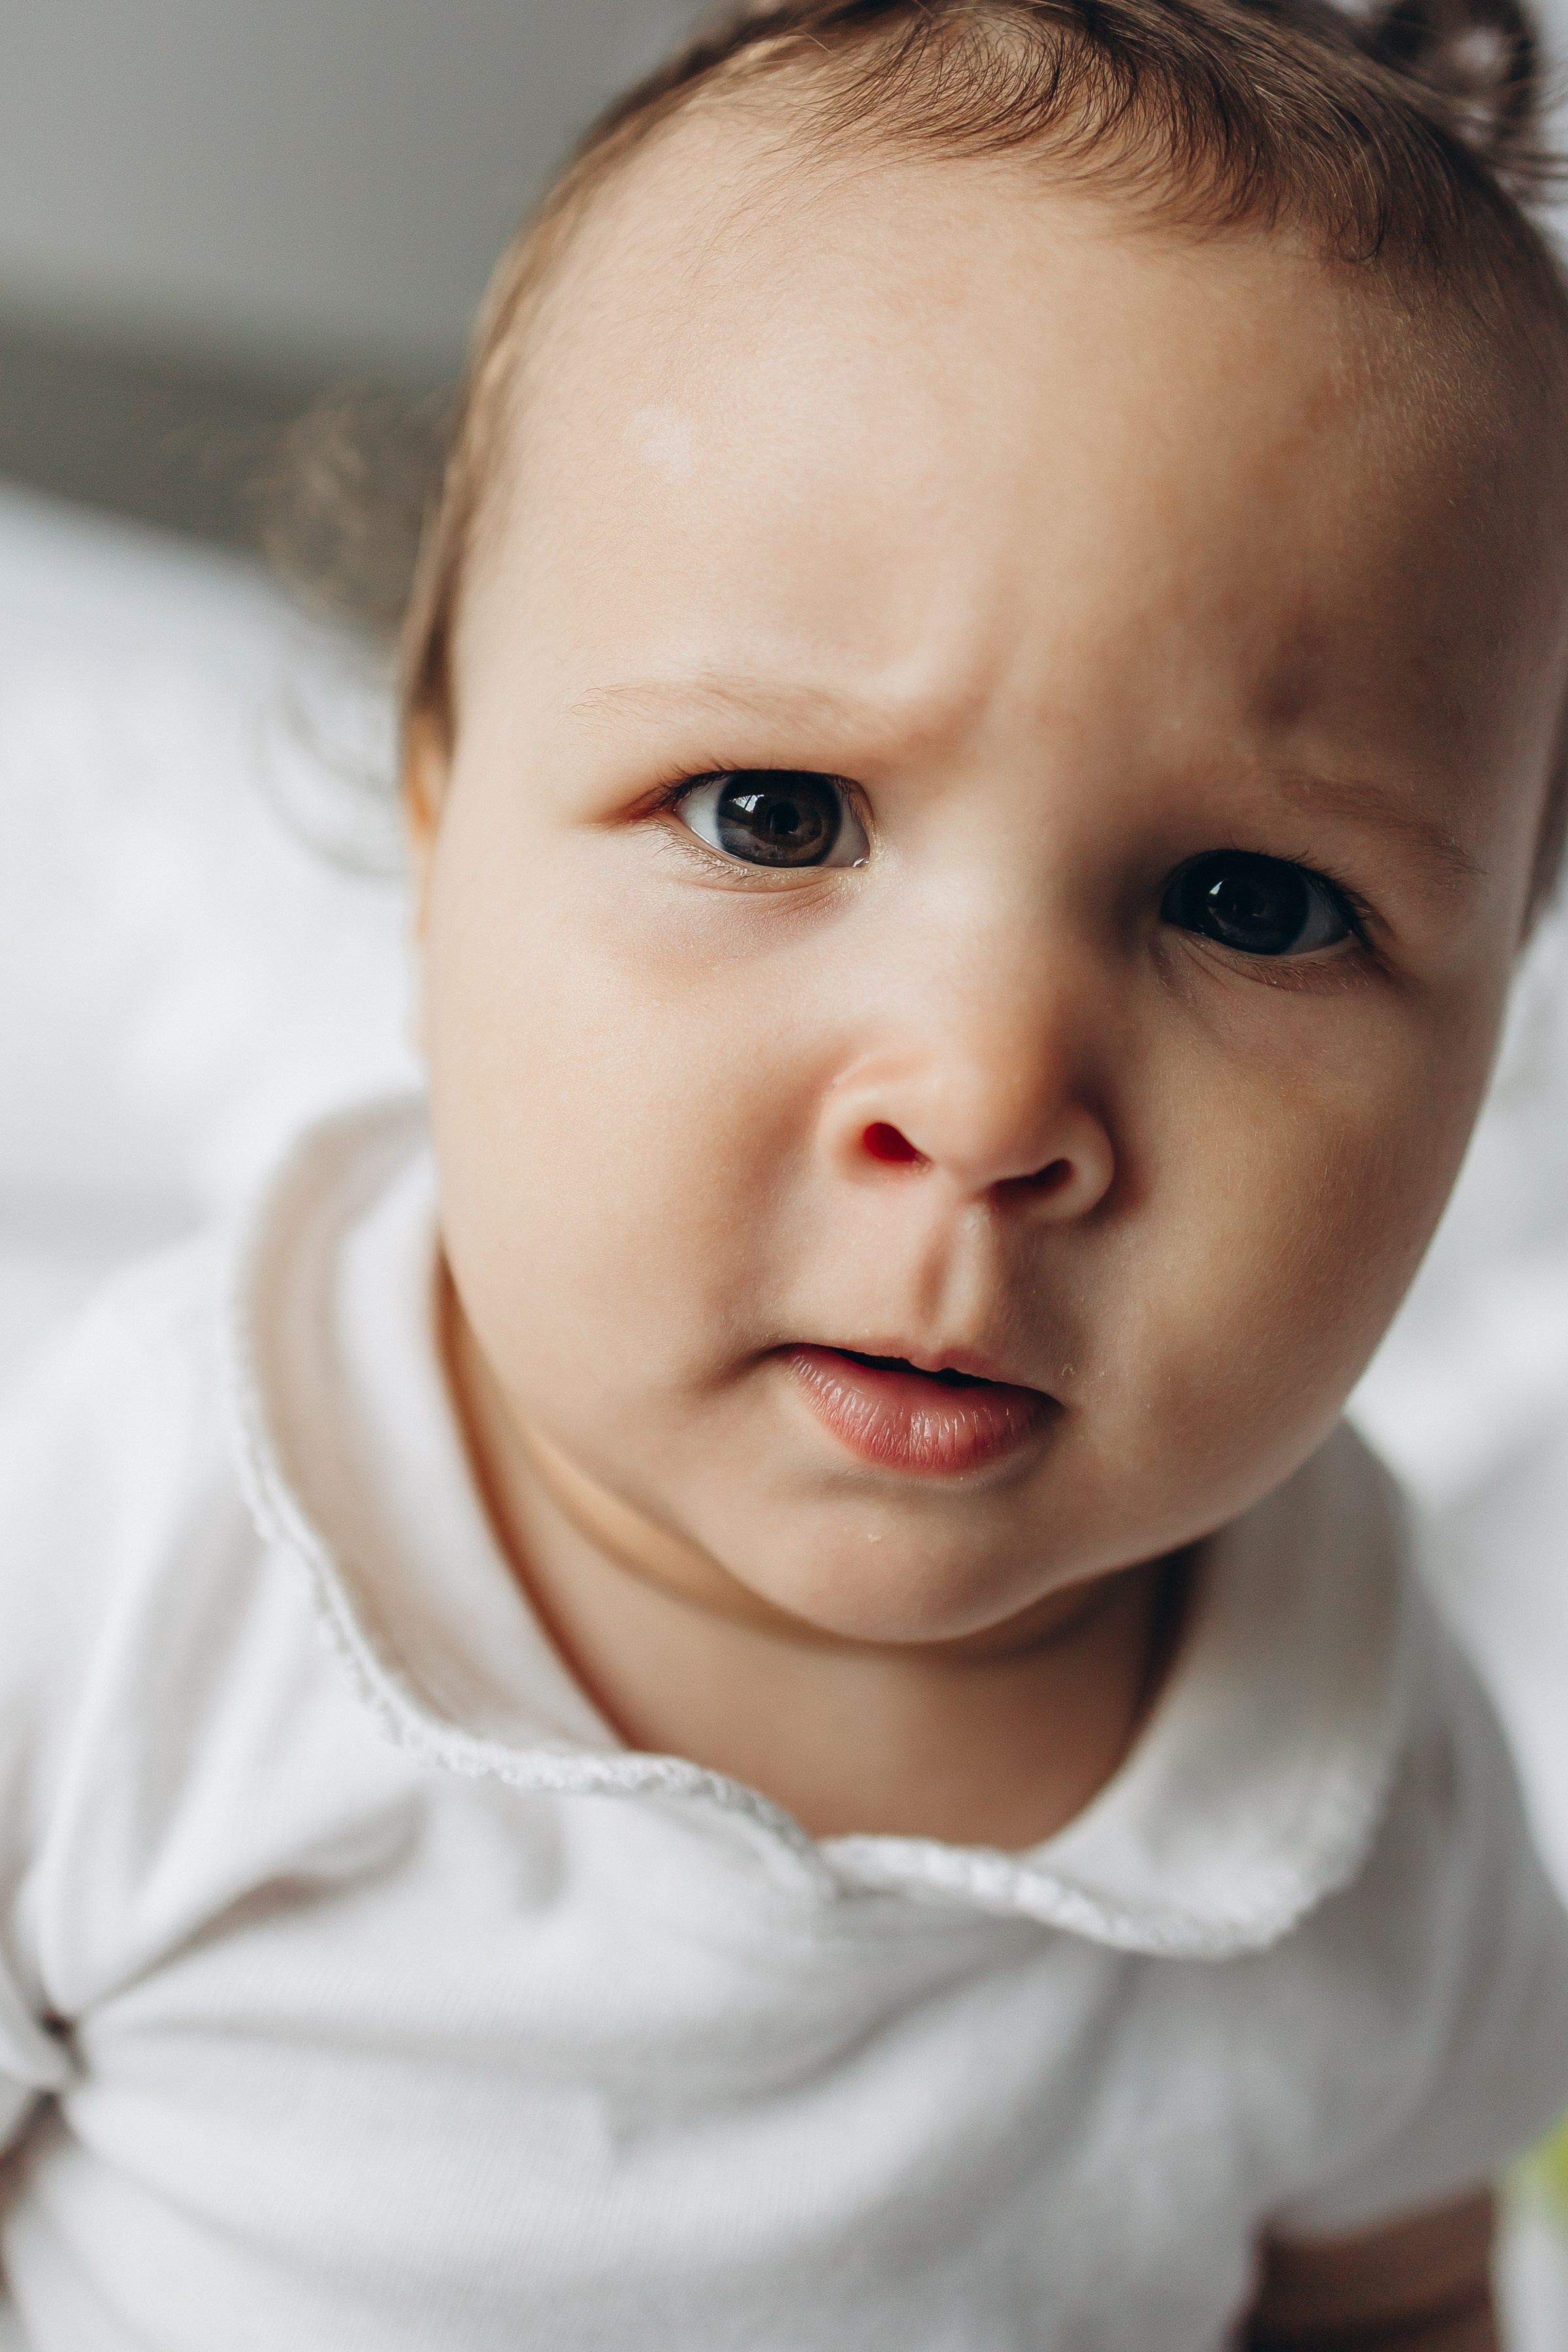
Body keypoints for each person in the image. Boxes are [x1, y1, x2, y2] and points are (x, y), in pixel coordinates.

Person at [4, 1, 1568, 2343]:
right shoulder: (131, 1563)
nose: (985, 1100)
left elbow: (1397, 2300)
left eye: (1253, 902)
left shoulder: (1364, 1784)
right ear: (434, 832)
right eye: (773, 813)